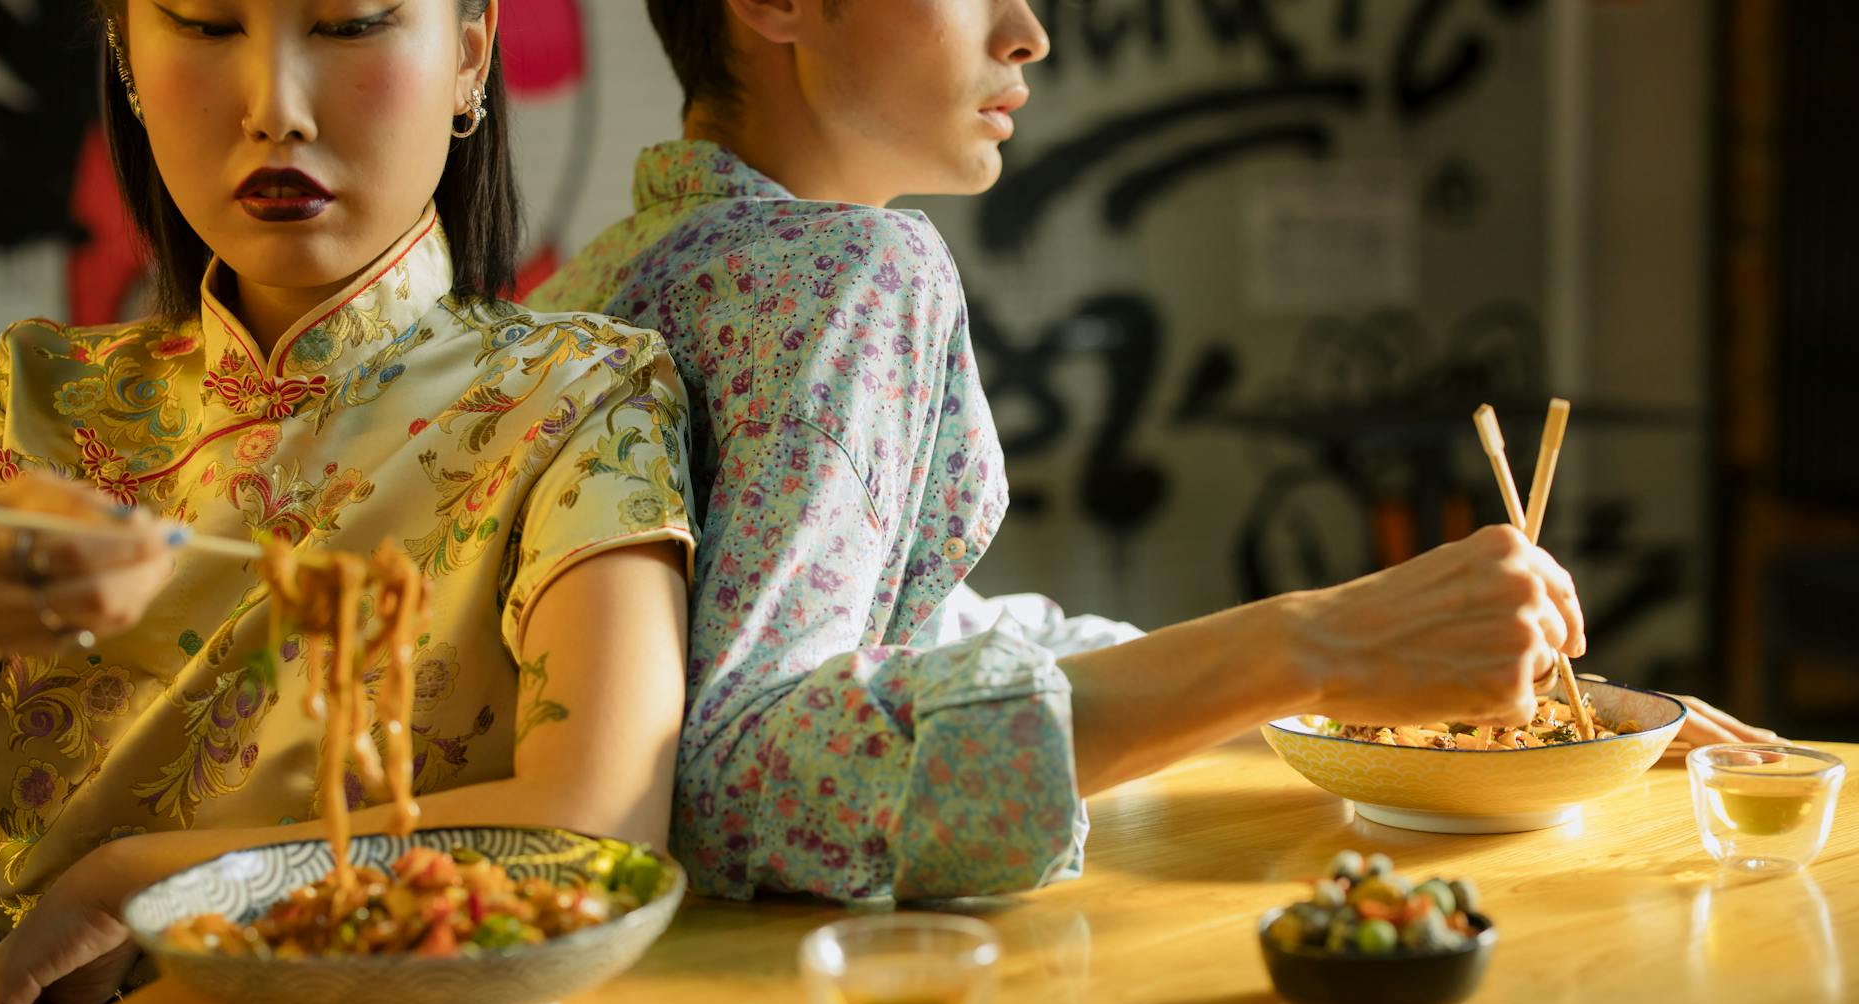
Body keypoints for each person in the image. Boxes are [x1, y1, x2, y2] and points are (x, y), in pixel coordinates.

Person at [531, 0, 1775, 904]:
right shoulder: (851, 269)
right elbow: (738, 771)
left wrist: (1339, 693)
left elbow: (905, 641)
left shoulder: (609, 276)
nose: (1027, 32)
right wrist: (1313, 641)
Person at [0, 0, 693, 1004]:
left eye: (352, 25)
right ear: (126, 53)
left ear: (468, 52)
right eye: (207, 25)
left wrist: (128, 882)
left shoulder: (575, 395)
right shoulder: (40, 399)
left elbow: (595, 823)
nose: (277, 108)